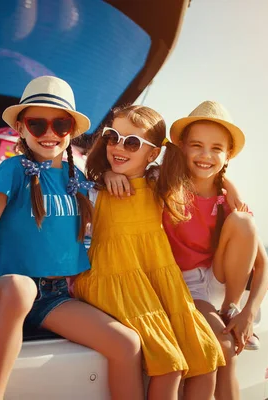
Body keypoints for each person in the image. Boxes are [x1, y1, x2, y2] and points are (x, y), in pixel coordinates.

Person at [0, 76, 144, 400]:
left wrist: (111, 174)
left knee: (128, 345)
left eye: (60, 124)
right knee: (23, 289)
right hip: (7, 289)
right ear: (21, 128)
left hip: (55, 296)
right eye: (37, 124)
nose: (49, 134)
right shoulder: (14, 169)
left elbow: (135, 179)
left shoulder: (77, 179)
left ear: (72, 131)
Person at [106, 100, 268, 400]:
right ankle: (223, 327)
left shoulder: (228, 199)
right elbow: (132, 171)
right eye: (196, 145)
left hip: (217, 285)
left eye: (216, 148)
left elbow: (264, 266)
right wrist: (110, 175)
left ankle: (229, 311)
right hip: (179, 285)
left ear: (228, 155)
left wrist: (248, 312)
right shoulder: (163, 181)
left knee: (244, 223)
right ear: (181, 146)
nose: (205, 155)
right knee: (224, 349)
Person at [74, 105, 226, 400]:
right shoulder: (94, 189)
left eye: (132, 143)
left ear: (153, 153)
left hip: (155, 281)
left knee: (206, 356)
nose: (119, 147)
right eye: (113, 137)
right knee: (169, 364)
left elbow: (203, 173)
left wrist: (231, 188)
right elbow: (76, 181)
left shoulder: (159, 183)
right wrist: (106, 175)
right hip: (113, 279)